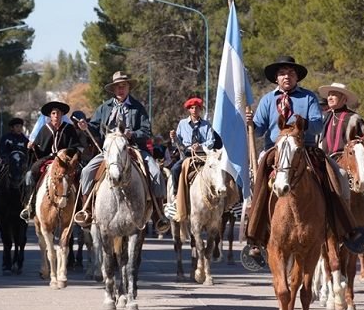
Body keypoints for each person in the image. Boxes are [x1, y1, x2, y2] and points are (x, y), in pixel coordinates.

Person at [244, 55, 364, 266]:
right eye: (283, 73)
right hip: (275, 150)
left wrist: (299, 126)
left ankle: (346, 228)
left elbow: (318, 125)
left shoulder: (308, 98)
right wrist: (250, 124)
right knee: (258, 183)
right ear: (276, 78)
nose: (287, 77)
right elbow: (259, 130)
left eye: (291, 73)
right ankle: (255, 236)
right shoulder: (267, 100)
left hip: (305, 149)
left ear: (297, 77)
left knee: (335, 175)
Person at [75, 71, 170, 233]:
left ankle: (158, 214)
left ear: (128, 88)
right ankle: (87, 210)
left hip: (134, 148)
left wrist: (131, 134)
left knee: (155, 172)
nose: (121, 89)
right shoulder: (104, 108)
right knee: (86, 171)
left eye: (124, 86)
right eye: (118, 86)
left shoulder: (138, 107)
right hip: (110, 150)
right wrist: (86, 127)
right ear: (113, 89)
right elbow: (95, 128)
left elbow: (146, 131)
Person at [317, 82, 364, 196]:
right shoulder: (322, 117)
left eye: (334, 94)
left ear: (344, 99)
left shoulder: (354, 119)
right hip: (323, 163)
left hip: (348, 166)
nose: (329, 97)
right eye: (329, 94)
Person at [19, 101, 83, 222]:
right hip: (48, 160)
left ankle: (81, 207)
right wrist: (32, 146)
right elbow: (40, 149)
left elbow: (75, 146)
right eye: (53, 113)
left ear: (62, 114)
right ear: (50, 115)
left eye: (58, 113)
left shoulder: (69, 129)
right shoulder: (44, 129)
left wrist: (65, 153)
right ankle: (29, 205)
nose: (56, 115)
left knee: (81, 173)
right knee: (29, 174)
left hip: (67, 161)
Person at [168, 96, 217, 197]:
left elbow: (211, 141)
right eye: (192, 108)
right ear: (189, 110)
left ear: (200, 109)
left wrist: (200, 146)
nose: (195, 110)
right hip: (187, 156)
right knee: (174, 169)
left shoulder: (206, 124)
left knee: (218, 170)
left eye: (197, 107)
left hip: (203, 156)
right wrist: (173, 138)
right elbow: (176, 143)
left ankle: (220, 197)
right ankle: (176, 195)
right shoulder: (182, 124)